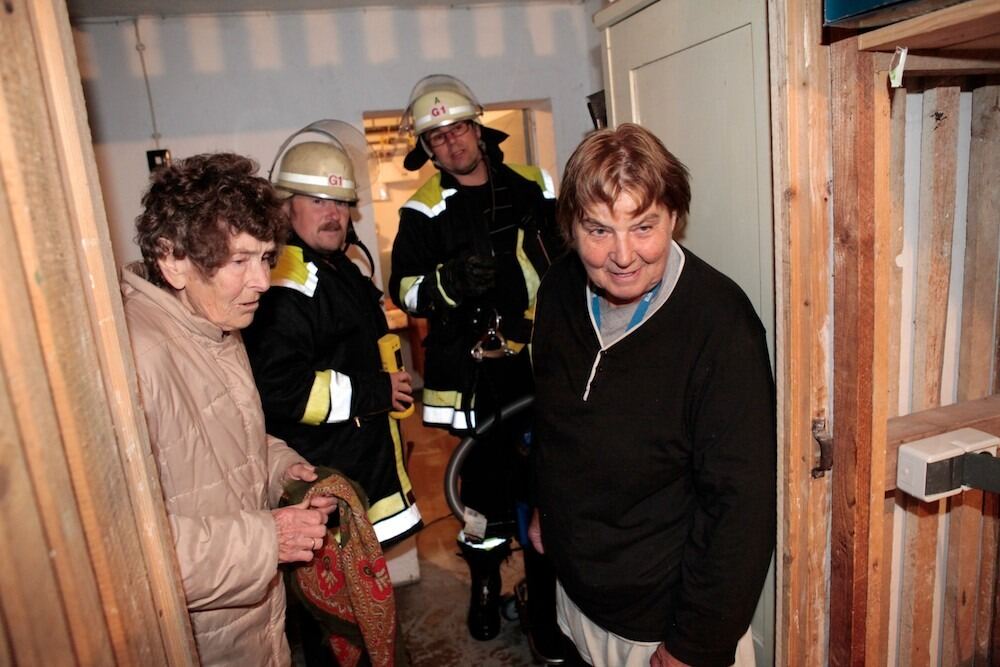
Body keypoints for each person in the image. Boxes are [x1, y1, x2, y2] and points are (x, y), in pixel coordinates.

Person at [529, 123, 776, 667]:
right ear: (570, 226)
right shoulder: (558, 291)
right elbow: (552, 419)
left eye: (644, 226)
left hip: (660, 625)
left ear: (674, 219)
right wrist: (548, 507)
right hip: (576, 595)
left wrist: (696, 645)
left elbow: (741, 507)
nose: (622, 255)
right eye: (598, 230)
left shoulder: (721, 327)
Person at [121, 152, 335, 667]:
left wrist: (282, 467)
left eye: (266, 258)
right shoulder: (133, 361)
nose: (262, 281)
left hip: (249, 623)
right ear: (173, 260)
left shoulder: (213, 323)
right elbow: (125, 555)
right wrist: (268, 540)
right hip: (197, 641)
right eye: (240, 261)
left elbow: (221, 443)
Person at [389, 73, 563, 657]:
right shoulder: (422, 212)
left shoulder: (535, 185)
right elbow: (405, 293)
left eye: (459, 128)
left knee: (549, 480)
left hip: (540, 366)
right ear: (428, 150)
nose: (453, 143)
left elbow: (567, 261)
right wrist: (447, 284)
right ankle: (487, 583)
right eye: (438, 138)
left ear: (478, 129)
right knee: (486, 488)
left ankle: (547, 591)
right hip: (475, 375)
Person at [243, 135, 422, 547]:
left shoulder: (336, 268)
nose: (334, 214)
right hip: (326, 478)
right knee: (337, 599)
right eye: (319, 201)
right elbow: (281, 389)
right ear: (286, 207)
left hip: (361, 464)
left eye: (340, 203)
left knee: (366, 593)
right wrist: (375, 390)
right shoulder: (285, 284)